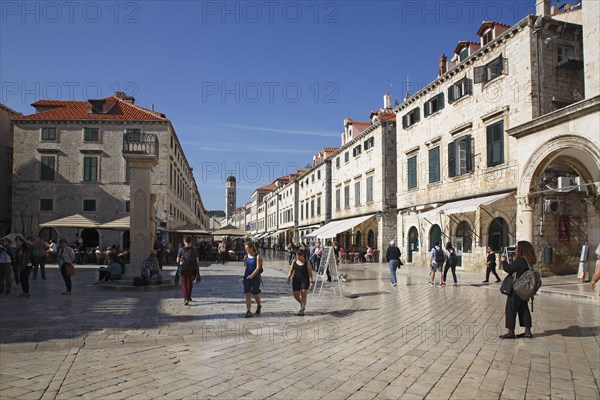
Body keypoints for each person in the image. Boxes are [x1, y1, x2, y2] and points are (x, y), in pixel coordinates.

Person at [499, 240, 536, 339]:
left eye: (517, 248)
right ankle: (527, 331)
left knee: (510, 309)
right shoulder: (528, 260)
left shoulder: (521, 260)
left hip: (517, 289)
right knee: (523, 309)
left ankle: (511, 332)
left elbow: (509, 269)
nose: (515, 250)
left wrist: (503, 261)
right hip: (523, 289)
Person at [287, 249, 313, 316]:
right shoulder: (294, 261)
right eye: (297, 255)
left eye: (299, 255)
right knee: (296, 295)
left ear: (303, 255)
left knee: (303, 294)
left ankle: (302, 309)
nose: (298, 257)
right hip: (296, 280)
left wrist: (311, 281)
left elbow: (310, 273)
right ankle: (302, 303)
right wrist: (289, 277)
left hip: (304, 280)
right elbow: (291, 270)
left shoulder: (306, 262)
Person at [177, 236, 199, 305]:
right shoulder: (194, 250)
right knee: (190, 282)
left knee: (183, 283)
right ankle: (188, 297)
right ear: (190, 241)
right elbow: (197, 261)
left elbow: (177, 260)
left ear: (184, 241)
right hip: (191, 268)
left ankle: (185, 298)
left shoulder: (181, 250)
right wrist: (197, 268)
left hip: (183, 268)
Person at [242, 242, 263, 318]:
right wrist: (244, 277)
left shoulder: (257, 257)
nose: (245, 249)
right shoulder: (245, 256)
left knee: (255, 293)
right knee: (247, 294)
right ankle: (248, 311)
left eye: (247, 248)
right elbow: (245, 267)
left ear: (251, 248)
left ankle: (259, 305)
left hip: (255, 277)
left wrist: (252, 275)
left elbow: (258, 268)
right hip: (247, 277)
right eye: (245, 248)